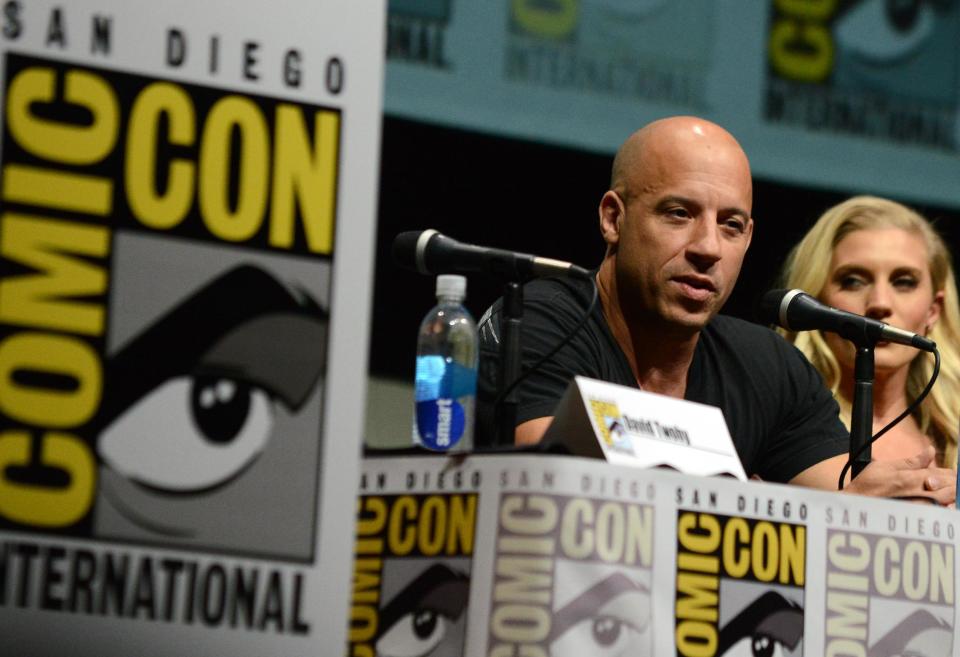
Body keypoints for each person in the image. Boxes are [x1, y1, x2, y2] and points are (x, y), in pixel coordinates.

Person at [476, 116, 954, 503]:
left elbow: (838, 500)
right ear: (612, 218)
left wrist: (893, 499)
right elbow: (551, 480)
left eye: (731, 225)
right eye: (679, 214)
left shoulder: (766, 365)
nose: (707, 247)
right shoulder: (542, 320)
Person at [779, 196, 960, 469]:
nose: (879, 303)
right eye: (853, 281)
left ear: (933, 311)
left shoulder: (952, 441)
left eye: (903, 282)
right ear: (814, 303)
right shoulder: (779, 430)